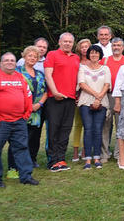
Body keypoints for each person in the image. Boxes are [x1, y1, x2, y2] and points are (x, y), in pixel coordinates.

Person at [0, 52, 39, 187]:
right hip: (0, 122)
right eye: (7, 60)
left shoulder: (20, 77)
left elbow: (28, 96)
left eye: (12, 60)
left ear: (16, 63)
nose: (10, 62)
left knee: (22, 148)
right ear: (1, 63)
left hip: (19, 121)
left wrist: (26, 114)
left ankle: (26, 176)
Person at [44, 32, 80, 172]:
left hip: (70, 99)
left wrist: (76, 91)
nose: (67, 44)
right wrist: (54, 92)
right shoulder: (52, 55)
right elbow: (48, 75)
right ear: (59, 42)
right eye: (65, 41)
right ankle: (52, 161)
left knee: (66, 129)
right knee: (54, 129)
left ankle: (61, 158)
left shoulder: (76, 57)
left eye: (70, 42)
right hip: (55, 98)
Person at [77, 45, 111, 169]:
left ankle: (97, 158)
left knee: (98, 130)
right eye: (91, 53)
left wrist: (99, 98)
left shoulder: (105, 68)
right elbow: (82, 84)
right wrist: (96, 95)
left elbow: (107, 84)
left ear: (100, 55)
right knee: (88, 129)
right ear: (88, 55)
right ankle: (87, 160)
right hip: (86, 102)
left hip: (102, 102)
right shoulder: (83, 68)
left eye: (96, 53)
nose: (94, 55)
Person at [13, 46, 47, 169]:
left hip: (37, 111)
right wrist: (27, 105)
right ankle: (16, 164)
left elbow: (45, 92)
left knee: (34, 137)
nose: (32, 58)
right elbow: (13, 91)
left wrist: (39, 104)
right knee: (19, 138)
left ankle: (32, 159)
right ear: (24, 57)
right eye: (30, 55)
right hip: (21, 110)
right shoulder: (17, 72)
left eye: (35, 56)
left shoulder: (40, 74)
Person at [100, 37, 124, 163]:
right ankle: (104, 154)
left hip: (122, 97)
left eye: (119, 45)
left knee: (121, 126)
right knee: (105, 126)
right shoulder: (104, 60)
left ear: (123, 47)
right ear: (111, 47)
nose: (116, 47)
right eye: (114, 45)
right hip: (107, 95)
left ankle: (119, 153)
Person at [71, 38, 91, 163]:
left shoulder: (94, 61)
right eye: (82, 47)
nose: (84, 49)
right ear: (79, 48)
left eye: (87, 47)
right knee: (78, 124)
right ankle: (75, 151)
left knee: (88, 125)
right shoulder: (75, 61)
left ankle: (85, 150)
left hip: (90, 96)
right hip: (77, 95)